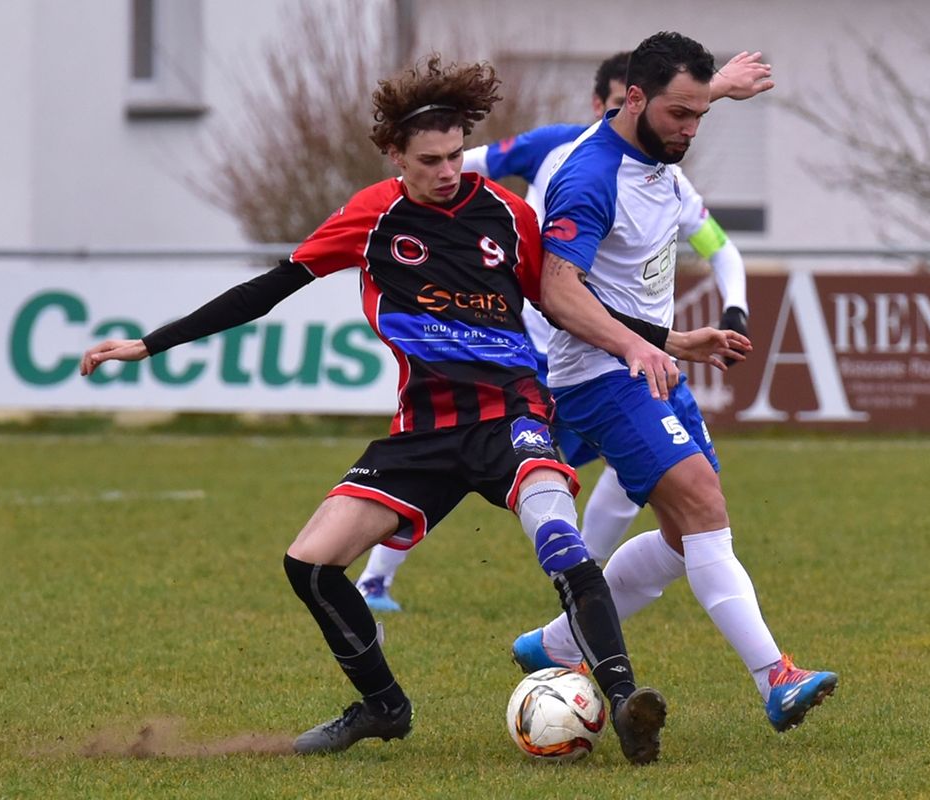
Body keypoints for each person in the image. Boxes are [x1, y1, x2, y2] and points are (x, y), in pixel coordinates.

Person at [77, 55, 750, 764]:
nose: (448, 170)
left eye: (456, 154)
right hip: (425, 429)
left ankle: (622, 702)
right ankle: (383, 708)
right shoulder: (372, 217)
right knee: (309, 562)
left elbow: (563, 298)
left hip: (510, 413)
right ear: (394, 156)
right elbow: (270, 288)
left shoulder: (507, 214)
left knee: (558, 538)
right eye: (429, 159)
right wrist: (150, 345)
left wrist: (667, 338)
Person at [355, 48, 763, 612]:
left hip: (622, 350)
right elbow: (456, 163)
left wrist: (717, 86)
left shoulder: (660, 168)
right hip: (542, 348)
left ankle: (581, 590)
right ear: (605, 104)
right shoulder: (557, 146)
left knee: (638, 473)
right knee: (465, 459)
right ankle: (376, 576)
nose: (636, 114)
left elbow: (719, 243)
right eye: (620, 103)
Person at [514, 31, 839, 735]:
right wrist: (641, 344)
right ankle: (775, 677)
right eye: (679, 116)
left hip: (646, 364)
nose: (689, 130)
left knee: (683, 532)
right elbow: (556, 291)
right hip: (599, 375)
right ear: (633, 101)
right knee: (699, 503)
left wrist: (719, 86)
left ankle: (555, 644)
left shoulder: (657, 136)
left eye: (700, 114)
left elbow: (679, 98)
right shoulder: (588, 178)